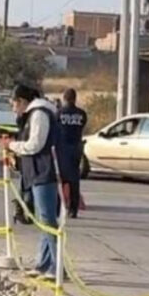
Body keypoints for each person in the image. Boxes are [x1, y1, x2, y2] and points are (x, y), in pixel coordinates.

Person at [0, 83, 61, 277]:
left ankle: (58, 266)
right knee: (42, 219)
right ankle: (43, 264)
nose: (13, 109)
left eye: (13, 104)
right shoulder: (30, 116)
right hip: (33, 173)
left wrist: (13, 145)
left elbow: (36, 144)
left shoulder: (39, 114)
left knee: (48, 220)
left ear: (23, 101)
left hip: (44, 172)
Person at [58, 88, 88, 219]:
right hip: (76, 148)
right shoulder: (81, 114)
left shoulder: (59, 113)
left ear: (64, 98)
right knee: (74, 181)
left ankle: (58, 207)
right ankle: (73, 210)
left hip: (62, 149)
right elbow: (82, 127)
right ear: (75, 99)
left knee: (60, 180)